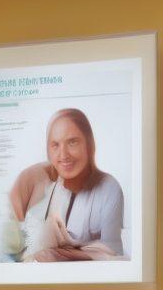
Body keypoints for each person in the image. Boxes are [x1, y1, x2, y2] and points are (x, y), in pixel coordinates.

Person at [9, 108, 125, 263]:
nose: (63, 155)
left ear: (88, 144)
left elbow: (114, 254)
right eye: (55, 145)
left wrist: (57, 255)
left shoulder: (108, 189)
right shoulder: (44, 185)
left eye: (72, 142)